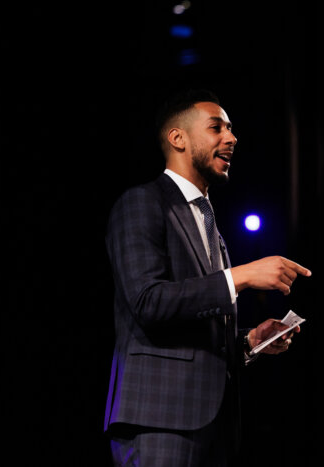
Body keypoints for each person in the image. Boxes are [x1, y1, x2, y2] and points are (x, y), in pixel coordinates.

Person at [103, 88, 311, 466]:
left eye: (231, 130)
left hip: (215, 426)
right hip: (160, 420)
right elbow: (148, 302)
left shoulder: (208, 222)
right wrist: (241, 276)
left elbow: (191, 323)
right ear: (177, 138)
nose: (231, 138)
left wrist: (248, 341)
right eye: (217, 127)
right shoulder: (142, 203)